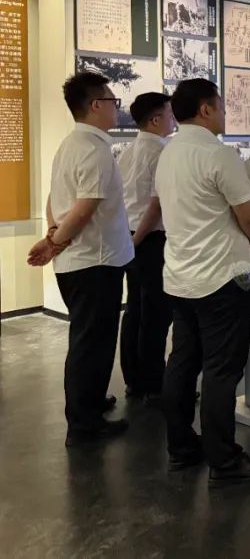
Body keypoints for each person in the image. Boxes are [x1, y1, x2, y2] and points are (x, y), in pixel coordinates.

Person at [155, 78, 250, 486]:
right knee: (221, 372)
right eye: (221, 107)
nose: (225, 114)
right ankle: (224, 461)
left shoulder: (169, 153)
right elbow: (249, 214)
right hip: (222, 281)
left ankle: (181, 448)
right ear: (206, 109)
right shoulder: (218, 154)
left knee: (182, 363)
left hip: (180, 278)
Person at [27, 72, 133, 445]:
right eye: (112, 101)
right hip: (94, 262)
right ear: (95, 105)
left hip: (80, 260)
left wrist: (53, 237)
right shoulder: (94, 150)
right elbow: (85, 207)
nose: (116, 108)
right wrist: (53, 241)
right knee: (92, 343)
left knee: (89, 338)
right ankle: (84, 424)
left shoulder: (71, 144)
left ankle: (89, 402)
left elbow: (54, 200)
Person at [117, 92, 176, 403]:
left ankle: (135, 379)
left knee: (135, 309)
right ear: (155, 120)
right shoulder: (162, 152)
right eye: (169, 114)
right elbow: (155, 205)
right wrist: (138, 240)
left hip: (131, 236)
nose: (174, 119)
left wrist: (130, 241)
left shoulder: (128, 151)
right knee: (156, 313)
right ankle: (154, 384)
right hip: (149, 239)